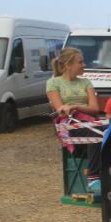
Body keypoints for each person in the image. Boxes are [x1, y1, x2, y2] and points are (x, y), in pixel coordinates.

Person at [46, 47, 103, 191]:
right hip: (69, 125)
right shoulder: (53, 83)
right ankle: (93, 177)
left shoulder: (86, 83)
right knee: (96, 132)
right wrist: (70, 109)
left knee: (109, 130)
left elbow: (95, 108)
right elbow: (61, 111)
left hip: (88, 121)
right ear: (68, 65)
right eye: (80, 62)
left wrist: (75, 106)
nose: (84, 65)